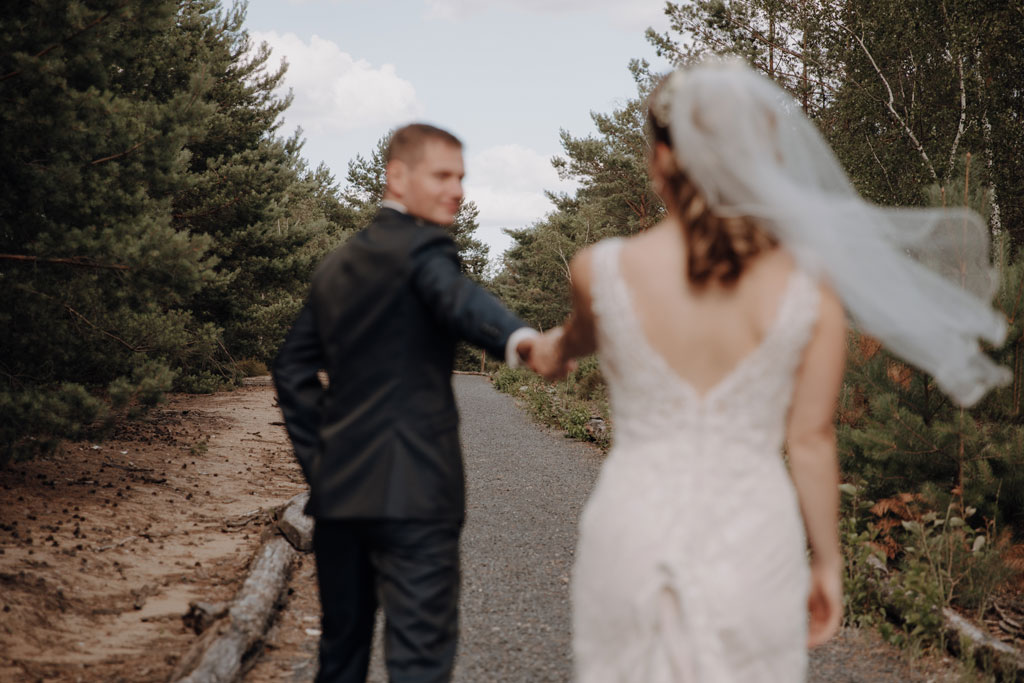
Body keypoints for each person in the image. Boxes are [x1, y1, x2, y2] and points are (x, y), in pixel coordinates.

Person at [523, 59, 1009, 681]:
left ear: (660, 159)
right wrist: (828, 564)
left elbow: (575, 342)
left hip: (631, 532)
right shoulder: (809, 285)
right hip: (754, 541)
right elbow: (809, 440)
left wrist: (548, 352)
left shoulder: (600, 269)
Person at [272, 123, 552, 683]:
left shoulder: (337, 265)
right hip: (417, 496)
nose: (459, 190)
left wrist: (321, 464)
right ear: (397, 177)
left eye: (462, 177)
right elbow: (459, 299)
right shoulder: (426, 250)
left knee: (341, 654)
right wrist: (522, 342)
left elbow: (291, 368)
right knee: (419, 660)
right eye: (443, 175)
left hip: (341, 496)